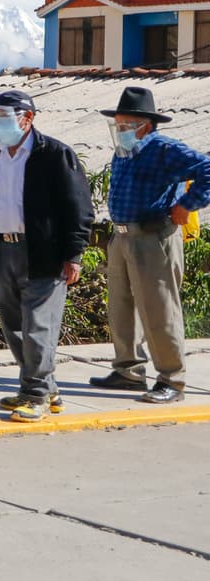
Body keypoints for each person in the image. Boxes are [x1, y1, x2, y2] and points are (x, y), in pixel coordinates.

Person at [0, 90, 94, 422]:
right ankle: (45, 387)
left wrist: (74, 254)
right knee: (14, 326)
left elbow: (78, 208)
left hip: (43, 252)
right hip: (2, 249)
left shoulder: (54, 155)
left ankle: (35, 394)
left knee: (39, 325)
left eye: (5, 118)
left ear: (27, 118)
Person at [90, 86, 210, 403]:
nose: (120, 129)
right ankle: (128, 371)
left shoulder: (163, 148)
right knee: (121, 307)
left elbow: (208, 169)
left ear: (145, 124)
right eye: (117, 123)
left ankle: (172, 379)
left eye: (125, 123)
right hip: (122, 236)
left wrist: (187, 205)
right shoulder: (125, 151)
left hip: (154, 237)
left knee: (159, 311)